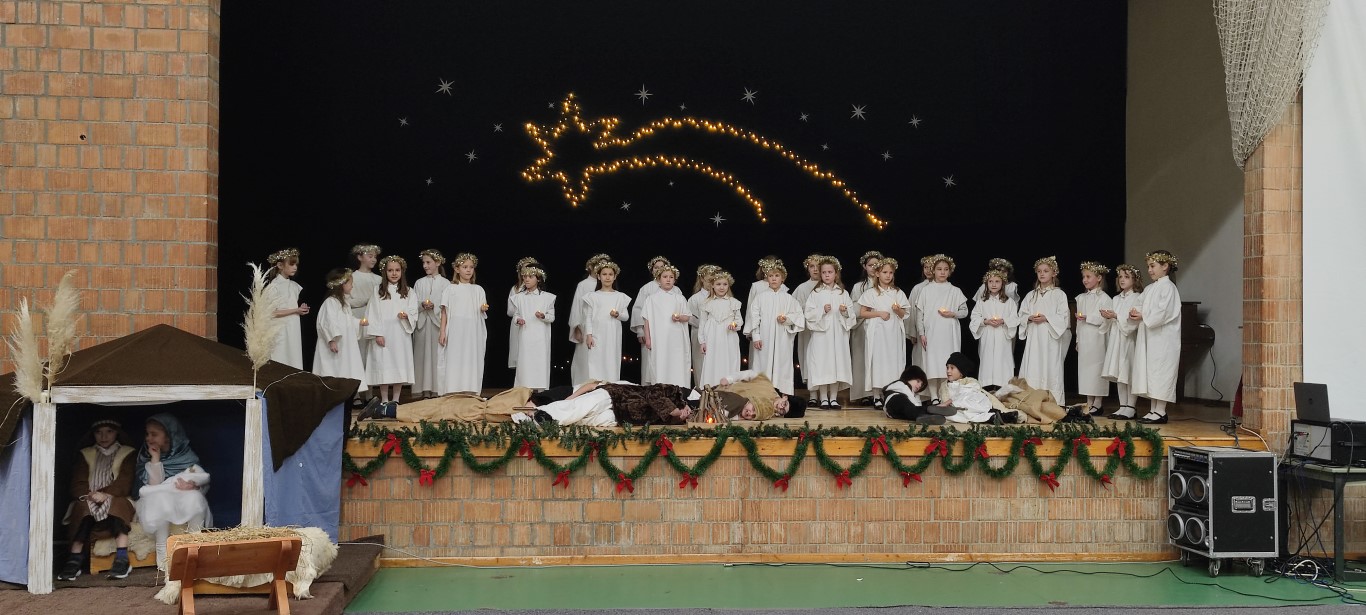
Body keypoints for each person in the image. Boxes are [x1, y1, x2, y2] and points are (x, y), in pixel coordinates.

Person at [58, 419, 136, 581]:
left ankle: (122, 558)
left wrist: (107, 494)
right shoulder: (86, 454)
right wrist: (90, 495)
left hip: (116, 496)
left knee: (118, 505)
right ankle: (75, 558)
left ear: (117, 433)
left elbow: (125, 481)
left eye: (109, 432)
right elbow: (78, 482)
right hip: (89, 496)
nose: (104, 436)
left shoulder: (127, 453)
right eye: (99, 432)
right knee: (82, 508)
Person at [134, 413, 210, 570]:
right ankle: (163, 554)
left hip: (182, 501)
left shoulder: (186, 457)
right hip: (156, 502)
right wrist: (155, 459)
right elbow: (153, 488)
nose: (149, 438)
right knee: (160, 499)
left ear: (169, 436)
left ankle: (195, 545)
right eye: (147, 434)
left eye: (154, 434)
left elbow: (201, 478)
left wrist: (193, 485)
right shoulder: (145, 456)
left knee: (195, 498)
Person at [1130, 250, 1183, 424]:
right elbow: (1139, 304)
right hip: (1151, 338)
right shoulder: (1150, 288)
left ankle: (1161, 411)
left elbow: (1163, 312)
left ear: (1165, 266)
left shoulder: (1169, 288)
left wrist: (1143, 315)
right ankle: (1153, 409)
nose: (1149, 270)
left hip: (1164, 340)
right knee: (1152, 372)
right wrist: (1134, 312)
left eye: (1153, 266)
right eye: (1148, 267)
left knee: (1162, 372)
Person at [803, 257, 858, 409]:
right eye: (824, 272)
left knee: (836, 365)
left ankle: (833, 398)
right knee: (823, 365)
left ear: (836, 274)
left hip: (838, 335)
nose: (827, 275)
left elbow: (852, 316)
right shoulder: (816, 293)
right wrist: (822, 310)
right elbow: (808, 313)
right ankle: (823, 398)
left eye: (830, 272)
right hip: (822, 336)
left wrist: (845, 312)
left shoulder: (843, 293)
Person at [744, 261, 805, 395]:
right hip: (764, 338)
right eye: (771, 276)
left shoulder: (789, 299)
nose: (773, 279)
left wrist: (786, 319)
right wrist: (756, 336)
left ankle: (782, 393)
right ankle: (762, 393)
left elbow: (798, 316)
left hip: (782, 338)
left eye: (777, 276)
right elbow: (754, 317)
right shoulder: (760, 298)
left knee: (782, 363)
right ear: (767, 278)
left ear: (782, 278)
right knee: (762, 363)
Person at [857, 257, 910, 408]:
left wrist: (897, 310)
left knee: (893, 361)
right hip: (877, 333)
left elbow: (904, 314)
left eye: (891, 273)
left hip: (893, 333)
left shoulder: (897, 292)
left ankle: (891, 393)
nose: (888, 275)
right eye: (885, 272)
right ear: (877, 274)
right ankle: (876, 395)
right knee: (877, 361)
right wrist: (879, 313)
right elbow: (862, 313)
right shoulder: (871, 293)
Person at [366, 256, 417, 410]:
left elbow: (414, 311)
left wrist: (406, 316)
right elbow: (373, 312)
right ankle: (384, 399)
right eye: (390, 270)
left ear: (402, 271)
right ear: (385, 272)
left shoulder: (409, 292)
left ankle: (395, 399)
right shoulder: (378, 290)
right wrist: (377, 333)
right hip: (384, 334)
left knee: (399, 364)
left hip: (400, 334)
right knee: (384, 365)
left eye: (397, 270)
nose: (394, 273)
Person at [1018, 256, 1070, 404]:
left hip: (1050, 338)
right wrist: (1029, 318)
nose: (1042, 274)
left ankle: (1052, 402)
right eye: (1039, 271)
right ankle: (1031, 401)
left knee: (1050, 367)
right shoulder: (1031, 295)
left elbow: (1064, 317)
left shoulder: (1059, 294)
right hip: (1034, 337)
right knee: (1033, 366)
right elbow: (1021, 315)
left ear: (1054, 273)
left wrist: (1047, 318)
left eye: (1046, 271)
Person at [915, 255, 968, 395]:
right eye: (939, 269)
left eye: (946, 269)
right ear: (933, 270)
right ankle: (934, 395)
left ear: (950, 271)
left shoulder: (955, 291)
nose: (942, 272)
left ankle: (945, 395)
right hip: (932, 333)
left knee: (948, 363)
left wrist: (953, 314)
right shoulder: (926, 290)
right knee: (932, 364)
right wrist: (921, 333)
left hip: (949, 333)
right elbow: (920, 315)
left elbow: (964, 312)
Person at [438, 253, 488, 395]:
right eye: (465, 267)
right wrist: (442, 331)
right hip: (455, 329)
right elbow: (444, 311)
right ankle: (453, 388)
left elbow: (481, 308)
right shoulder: (450, 289)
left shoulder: (478, 289)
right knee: (455, 357)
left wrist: (482, 308)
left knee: (470, 357)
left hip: (472, 330)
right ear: (457, 269)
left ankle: (470, 388)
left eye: (471, 267)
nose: (468, 270)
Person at [1102, 264, 1145, 420]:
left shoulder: (1138, 297)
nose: (1122, 280)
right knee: (1120, 373)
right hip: (1117, 339)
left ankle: (1131, 407)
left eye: (1126, 277)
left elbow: (1133, 322)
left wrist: (1116, 316)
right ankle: (1123, 406)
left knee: (1129, 372)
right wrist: (1108, 317)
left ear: (1135, 279)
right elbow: (1113, 321)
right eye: (1120, 276)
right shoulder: (1116, 298)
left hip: (1129, 340)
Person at [313, 268, 367, 389]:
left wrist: (359, 322)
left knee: (345, 367)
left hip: (345, 344)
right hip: (336, 344)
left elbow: (347, 320)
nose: (352, 286)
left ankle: (346, 391)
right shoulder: (330, 302)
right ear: (342, 284)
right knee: (334, 369)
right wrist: (332, 340)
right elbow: (327, 322)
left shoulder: (344, 303)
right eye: (350, 283)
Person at [640, 265, 693, 388]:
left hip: (676, 339)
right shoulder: (651, 299)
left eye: (671, 277)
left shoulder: (679, 298)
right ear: (659, 279)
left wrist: (680, 317)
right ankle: (661, 389)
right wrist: (648, 339)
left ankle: (679, 388)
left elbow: (687, 316)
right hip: (659, 339)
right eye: (665, 277)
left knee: (676, 362)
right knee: (660, 362)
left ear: (675, 280)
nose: (668, 279)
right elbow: (646, 320)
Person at [582, 261, 632, 382]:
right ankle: (596, 384)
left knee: (611, 358)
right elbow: (589, 317)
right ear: (599, 276)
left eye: (610, 274)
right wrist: (589, 335)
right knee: (596, 359)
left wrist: (617, 315)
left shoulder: (620, 297)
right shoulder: (593, 296)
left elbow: (626, 317)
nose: (607, 277)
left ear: (615, 277)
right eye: (604, 274)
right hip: (597, 334)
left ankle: (611, 384)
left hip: (613, 334)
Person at [1075, 262, 1114, 416]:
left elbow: (1106, 319)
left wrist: (1088, 317)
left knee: (1097, 369)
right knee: (1085, 370)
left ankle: (1098, 402)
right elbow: (1078, 322)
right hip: (1085, 337)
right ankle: (1089, 401)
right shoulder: (1081, 298)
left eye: (1088, 276)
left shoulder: (1104, 298)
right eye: (1083, 277)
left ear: (1098, 278)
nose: (1085, 280)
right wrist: (1078, 340)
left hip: (1098, 339)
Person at [969, 269, 1019, 388]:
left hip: (1002, 335)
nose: (994, 284)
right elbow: (974, 317)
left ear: (1003, 283)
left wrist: (1003, 321)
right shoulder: (981, 301)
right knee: (987, 359)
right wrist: (985, 321)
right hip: (988, 335)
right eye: (990, 281)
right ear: (986, 283)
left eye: (997, 281)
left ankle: (1003, 385)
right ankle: (987, 385)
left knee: (1002, 358)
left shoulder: (1009, 302)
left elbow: (1015, 318)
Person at [509, 266, 556, 390]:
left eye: (530, 277)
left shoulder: (547, 297)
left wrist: (543, 316)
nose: (527, 279)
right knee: (525, 362)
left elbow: (551, 317)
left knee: (539, 362)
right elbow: (516, 315)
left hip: (540, 337)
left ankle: (540, 391)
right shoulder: (519, 297)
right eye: (525, 276)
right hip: (525, 335)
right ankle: (523, 389)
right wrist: (518, 320)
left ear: (538, 279)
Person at [411, 249, 450, 399]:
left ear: (438, 262)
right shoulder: (419, 283)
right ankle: (422, 389)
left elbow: (447, 304)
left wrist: (436, 307)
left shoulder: (445, 283)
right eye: (424, 263)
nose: (425, 266)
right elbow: (413, 303)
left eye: (428, 262)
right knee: (421, 357)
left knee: (436, 356)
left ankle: (436, 388)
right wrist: (422, 305)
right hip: (422, 324)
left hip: (437, 324)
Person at [631, 256, 676, 384]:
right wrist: (640, 331)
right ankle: (649, 388)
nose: (659, 269)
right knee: (649, 361)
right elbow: (638, 309)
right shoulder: (647, 288)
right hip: (650, 332)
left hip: (669, 330)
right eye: (656, 267)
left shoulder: (675, 289)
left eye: (662, 267)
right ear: (652, 270)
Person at [568, 254, 611, 386]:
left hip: (603, 327)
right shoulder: (584, 285)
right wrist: (576, 327)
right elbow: (577, 307)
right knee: (585, 358)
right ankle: (582, 386)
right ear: (591, 267)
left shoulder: (607, 285)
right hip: (586, 326)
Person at [848, 250, 884, 406]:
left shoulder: (885, 285)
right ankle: (863, 393)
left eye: (876, 265)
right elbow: (853, 307)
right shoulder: (858, 287)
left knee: (878, 359)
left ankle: (879, 392)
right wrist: (866, 310)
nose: (873, 268)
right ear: (865, 267)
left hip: (879, 327)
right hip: (862, 327)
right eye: (870, 265)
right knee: (861, 359)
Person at [697, 270, 744, 387]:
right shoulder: (706, 303)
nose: (722, 287)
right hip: (712, 337)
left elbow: (739, 320)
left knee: (729, 360)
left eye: (724, 284)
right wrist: (702, 341)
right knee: (713, 361)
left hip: (729, 337)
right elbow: (702, 323)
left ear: (728, 285)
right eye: (718, 284)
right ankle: (712, 388)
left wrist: (734, 324)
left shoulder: (733, 302)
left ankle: (729, 388)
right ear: (712, 285)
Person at [933, 352, 1009, 424]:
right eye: (947, 368)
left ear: (961, 372)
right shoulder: (944, 386)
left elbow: (968, 393)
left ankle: (994, 415)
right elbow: (943, 399)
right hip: (960, 410)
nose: (948, 371)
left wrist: (949, 402)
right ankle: (993, 417)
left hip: (977, 404)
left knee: (966, 398)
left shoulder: (969, 381)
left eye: (952, 368)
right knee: (957, 415)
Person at [263, 247, 307, 369]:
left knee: (293, 355)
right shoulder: (274, 286)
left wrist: (300, 310)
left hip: (293, 326)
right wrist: (295, 310)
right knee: (281, 355)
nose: (295, 267)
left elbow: (291, 305)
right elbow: (272, 312)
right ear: (280, 265)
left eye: (296, 264)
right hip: (280, 328)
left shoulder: (294, 286)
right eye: (291, 264)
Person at [348, 244, 383, 368]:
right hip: (357, 316)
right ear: (360, 257)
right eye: (370, 256)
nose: (374, 259)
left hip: (374, 318)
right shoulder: (352, 277)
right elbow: (348, 301)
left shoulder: (379, 279)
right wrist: (368, 299)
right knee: (358, 350)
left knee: (372, 352)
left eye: (375, 257)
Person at [882, 366, 955, 424]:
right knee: (912, 410)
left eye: (921, 384)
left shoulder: (913, 394)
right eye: (918, 381)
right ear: (909, 377)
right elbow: (914, 405)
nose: (919, 385)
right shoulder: (902, 385)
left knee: (909, 414)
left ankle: (926, 417)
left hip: (894, 413)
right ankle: (933, 410)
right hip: (896, 399)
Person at [791, 254, 824, 385]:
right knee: (808, 355)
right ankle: (812, 388)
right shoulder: (802, 288)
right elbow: (794, 307)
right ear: (808, 269)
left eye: (818, 266)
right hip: (808, 329)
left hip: (824, 327)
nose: (815, 269)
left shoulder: (828, 286)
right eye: (812, 266)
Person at [506, 256, 541, 375]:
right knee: (520, 355)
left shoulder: (540, 291)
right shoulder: (515, 289)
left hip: (534, 324)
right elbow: (510, 311)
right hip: (519, 325)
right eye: (525, 269)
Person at [688, 264, 721, 387]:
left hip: (717, 335)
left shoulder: (720, 297)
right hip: (699, 335)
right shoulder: (695, 299)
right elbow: (690, 318)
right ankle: (701, 391)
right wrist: (706, 326)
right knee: (700, 363)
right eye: (708, 280)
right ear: (702, 279)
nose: (710, 283)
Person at [907, 255, 935, 370]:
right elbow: (911, 311)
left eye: (931, 267)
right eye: (925, 267)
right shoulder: (918, 288)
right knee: (921, 360)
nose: (928, 270)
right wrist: (912, 332)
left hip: (934, 328)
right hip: (920, 331)